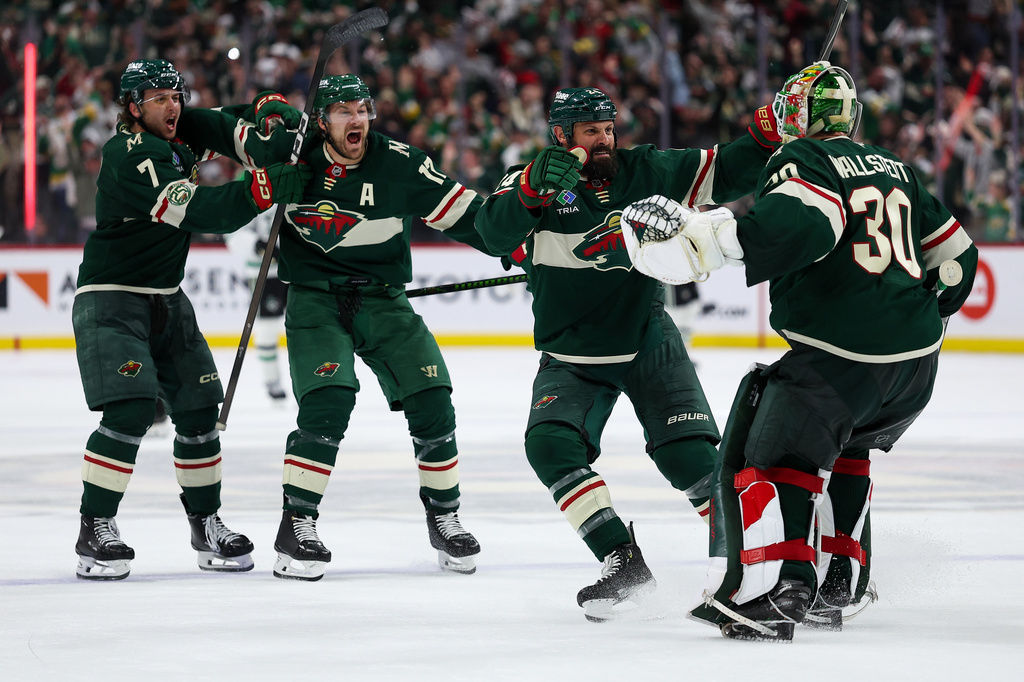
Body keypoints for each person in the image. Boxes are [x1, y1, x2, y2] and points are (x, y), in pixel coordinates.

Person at [621, 62, 978, 640]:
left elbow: (796, 227)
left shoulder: (804, 160)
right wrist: (914, 314)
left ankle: (769, 595)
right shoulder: (898, 170)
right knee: (847, 447)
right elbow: (959, 258)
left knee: (768, 452)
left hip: (840, 356)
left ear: (800, 116)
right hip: (914, 368)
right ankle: (842, 584)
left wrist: (696, 236)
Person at [474, 85, 784, 621]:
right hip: (573, 349)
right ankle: (622, 560)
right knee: (549, 447)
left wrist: (771, 126)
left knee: (690, 457)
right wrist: (528, 196)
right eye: (590, 131)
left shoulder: (648, 170)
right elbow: (488, 228)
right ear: (561, 136)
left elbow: (726, 169)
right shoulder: (533, 178)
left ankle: (752, 563)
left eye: (608, 128)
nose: (603, 140)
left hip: (646, 336)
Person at [196, 76, 492, 581]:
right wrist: (262, 106)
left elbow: (475, 217)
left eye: (363, 110)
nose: (356, 120)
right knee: (328, 401)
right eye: (342, 111)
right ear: (320, 119)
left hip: (384, 299)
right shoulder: (288, 151)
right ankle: (297, 526)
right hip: (316, 300)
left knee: (433, 397)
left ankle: (444, 517)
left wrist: (528, 242)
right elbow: (211, 125)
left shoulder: (401, 163)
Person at [72, 59, 312, 580]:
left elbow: (241, 134)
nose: (171, 105)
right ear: (134, 108)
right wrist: (267, 187)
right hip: (112, 299)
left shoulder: (182, 131)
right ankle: (96, 527)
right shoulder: (129, 154)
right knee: (132, 410)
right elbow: (203, 212)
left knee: (202, 411)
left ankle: (206, 525)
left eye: (175, 95)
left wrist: (271, 117)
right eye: (158, 98)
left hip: (167, 297)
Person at [224, 205, 289, 401]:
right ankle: (272, 380)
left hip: (297, 271)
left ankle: (310, 378)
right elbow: (233, 233)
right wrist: (259, 245)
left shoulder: (297, 188)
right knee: (267, 330)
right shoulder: (252, 190)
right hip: (264, 274)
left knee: (306, 327)